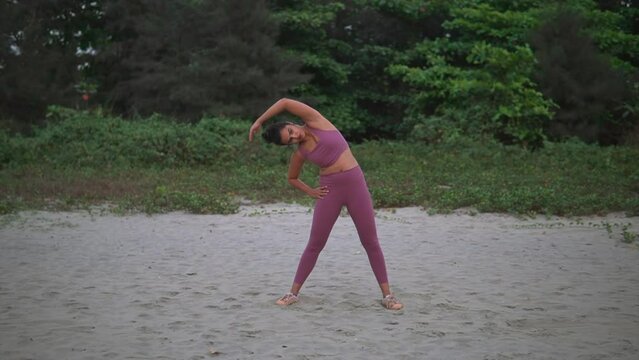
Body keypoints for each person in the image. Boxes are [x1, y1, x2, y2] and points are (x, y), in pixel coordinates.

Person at [248, 98, 403, 310]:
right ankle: (292, 293)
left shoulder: (316, 120)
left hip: (355, 184)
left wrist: (259, 120)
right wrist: (311, 191)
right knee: (315, 243)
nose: (295, 137)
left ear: (292, 124)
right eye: (290, 141)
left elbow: (284, 102)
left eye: (291, 132)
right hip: (330, 190)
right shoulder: (301, 152)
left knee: (370, 241)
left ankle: (388, 296)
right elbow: (292, 178)